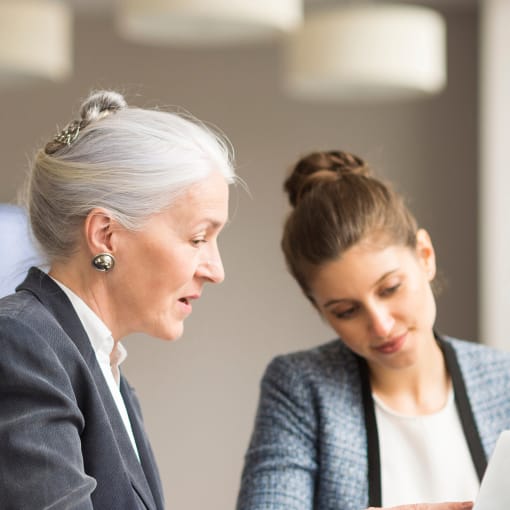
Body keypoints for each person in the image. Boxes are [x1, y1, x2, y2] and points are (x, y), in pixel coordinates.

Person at [0, 90, 236, 509]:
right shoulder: (20, 343)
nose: (216, 270)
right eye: (198, 237)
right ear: (106, 235)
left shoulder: (104, 370)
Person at [236, 150, 510, 510]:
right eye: (347, 311)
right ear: (318, 309)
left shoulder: (502, 378)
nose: (381, 325)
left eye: (390, 288)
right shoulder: (302, 387)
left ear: (425, 255)